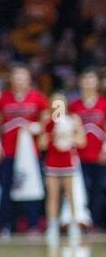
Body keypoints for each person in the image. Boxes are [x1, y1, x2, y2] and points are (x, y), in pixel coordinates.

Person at [0, 64, 49, 234]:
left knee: (33, 186)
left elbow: (47, 120)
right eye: (16, 77)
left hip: (31, 152)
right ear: (11, 80)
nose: (20, 81)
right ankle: (6, 223)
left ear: (29, 79)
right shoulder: (4, 98)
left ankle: (33, 222)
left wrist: (38, 128)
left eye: (23, 77)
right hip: (9, 151)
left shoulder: (38, 98)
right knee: (7, 186)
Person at [40, 93, 87, 241]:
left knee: (70, 195)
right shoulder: (47, 121)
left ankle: (73, 224)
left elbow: (82, 141)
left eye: (60, 102)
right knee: (52, 196)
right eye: (54, 103)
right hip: (52, 162)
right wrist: (53, 135)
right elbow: (41, 144)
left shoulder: (73, 119)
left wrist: (69, 138)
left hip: (68, 161)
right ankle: (52, 226)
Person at [70, 69, 106, 228]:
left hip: (100, 154)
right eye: (85, 80)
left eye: (91, 79)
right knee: (81, 189)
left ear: (97, 83)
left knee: (98, 189)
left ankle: (97, 222)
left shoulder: (104, 103)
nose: (88, 83)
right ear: (80, 83)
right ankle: (83, 221)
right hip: (78, 155)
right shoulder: (73, 105)